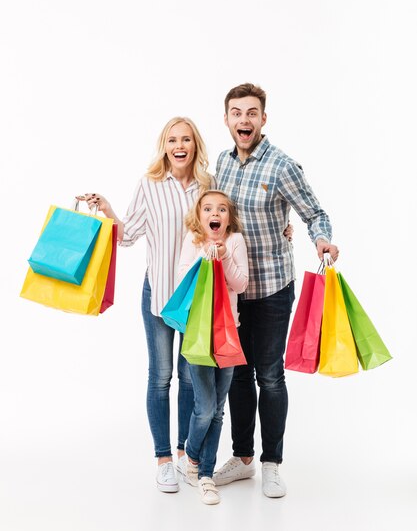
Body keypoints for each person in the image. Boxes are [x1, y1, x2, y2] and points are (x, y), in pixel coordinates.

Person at [213, 83, 339, 498]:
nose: (243, 120)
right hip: (233, 290)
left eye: (251, 113)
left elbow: (314, 212)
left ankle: (271, 463)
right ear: (228, 119)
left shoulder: (283, 166)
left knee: (269, 376)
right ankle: (244, 457)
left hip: (270, 289)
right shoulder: (223, 162)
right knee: (237, 376)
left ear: (263, 119)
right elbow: (214, 214)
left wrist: (320, 239)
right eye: (236, 113)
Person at [78, 117, 213, 493]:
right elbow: (128, 235)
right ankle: (163, 459)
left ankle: (186, 454)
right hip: (158, 293)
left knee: (189, 378)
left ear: (195, 145)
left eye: (186, 139)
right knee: (161, 377)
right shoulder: (150, 185)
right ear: (165, 146)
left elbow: (225, 224)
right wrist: (107, 210)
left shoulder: (208, 186)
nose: (179, 145)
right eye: (173, 140)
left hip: (194, 299)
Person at [177, 190, 249, 504]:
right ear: (200, 216)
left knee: (218, 410)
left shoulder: (234, 242)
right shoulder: (192, 242)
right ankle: (191, 458)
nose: (214, 214)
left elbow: (241, 284)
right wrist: (204, 256)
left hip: (229, 334)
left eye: (221, 209)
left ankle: (206, 475)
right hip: (199, 335)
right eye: (207, 209)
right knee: (205, 407)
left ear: (228, 218)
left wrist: (225, 257)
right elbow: (183, 281)